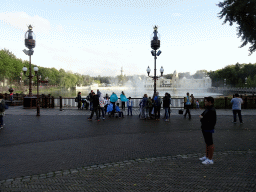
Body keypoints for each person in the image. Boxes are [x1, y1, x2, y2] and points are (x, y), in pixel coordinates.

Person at [199, 96, 216, 165]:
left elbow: (210, 120)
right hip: (205, 127)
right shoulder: (208, 109)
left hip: (208, 128)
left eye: (205, 101)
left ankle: (210, 159)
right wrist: (202, 118)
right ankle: (207, 156)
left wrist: (202, 119)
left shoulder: (211, 110)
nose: (204, 102)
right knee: (207, 143)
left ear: (209, 102)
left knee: (210, 143)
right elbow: (202, 115)